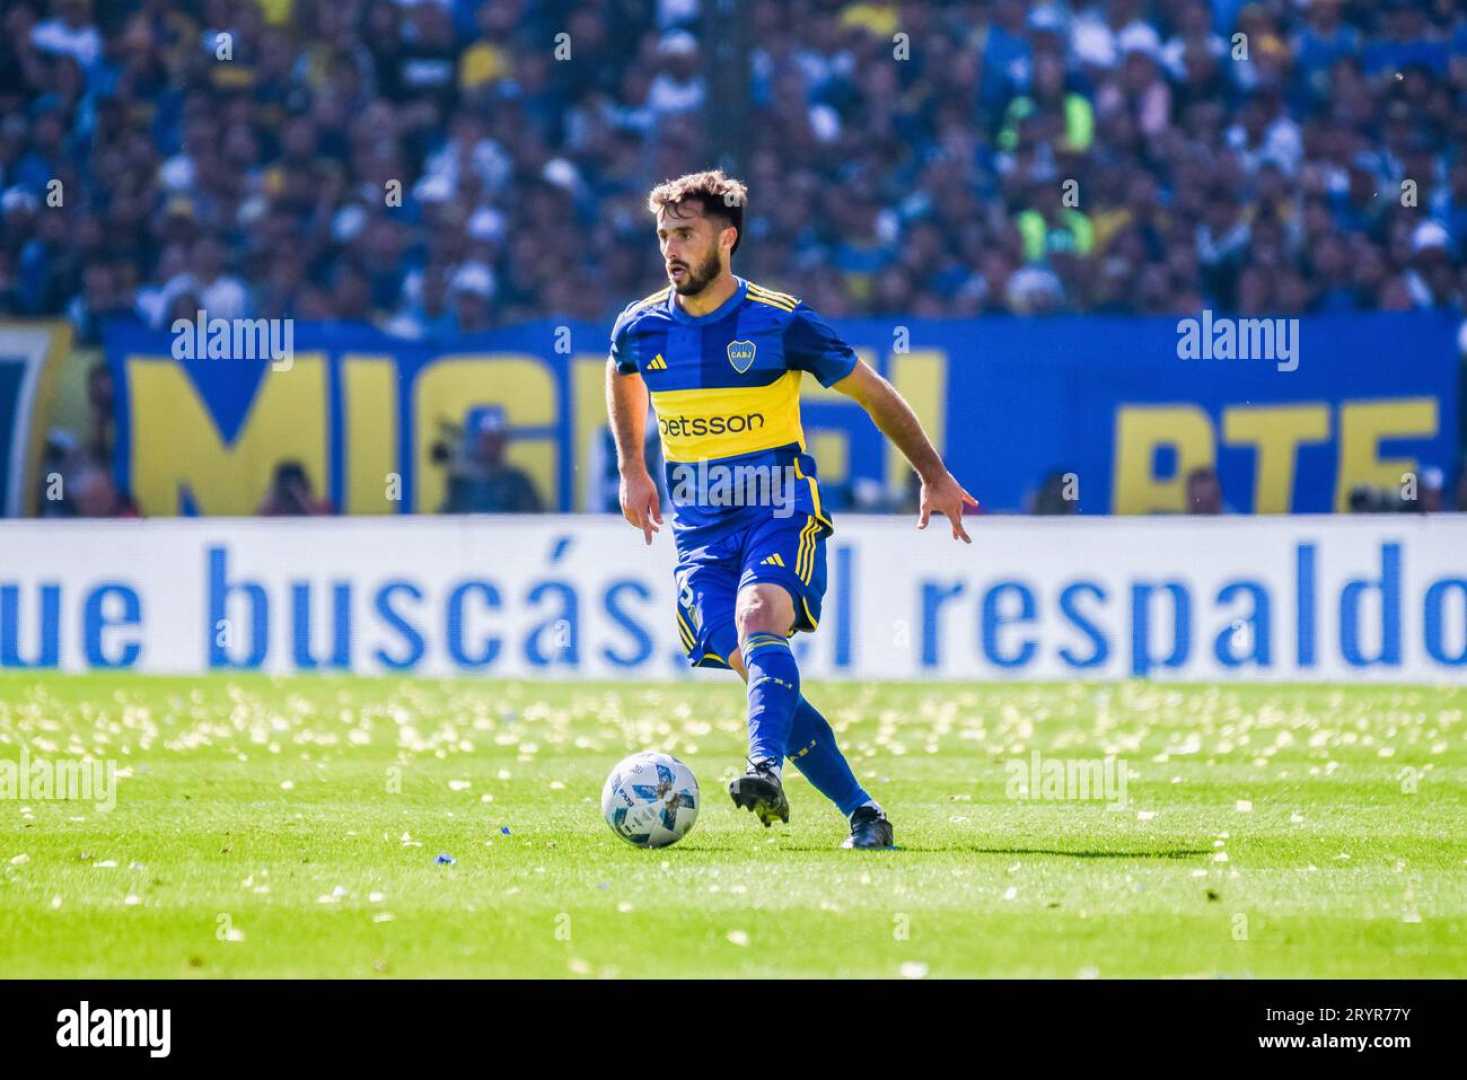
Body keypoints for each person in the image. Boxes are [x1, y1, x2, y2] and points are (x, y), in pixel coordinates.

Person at [605, 170, 977, 850]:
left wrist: (932, 474)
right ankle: (864, 813)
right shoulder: (641, 327)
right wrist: (632, 468)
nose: (670, 249)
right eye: (663, 236)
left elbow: (872, 391)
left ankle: (762, 769)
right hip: (697, 532)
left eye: (685, 234)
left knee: (757, 620)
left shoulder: (779, 322)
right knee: (760, 677)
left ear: (728, 237)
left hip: (777, 512)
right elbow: (620, 372)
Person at [438, 410, 544, 514]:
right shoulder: (461, 483)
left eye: (499, 439)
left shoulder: (517, 480)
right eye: (488, 439)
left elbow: (535, 519)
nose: (494, 445)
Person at [257, 461, 334, 516]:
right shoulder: (274, 509)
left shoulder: (322, 505)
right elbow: (258, 525)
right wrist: (270, 494)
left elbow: (322, 523)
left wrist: (301, 496)